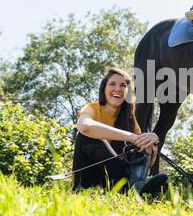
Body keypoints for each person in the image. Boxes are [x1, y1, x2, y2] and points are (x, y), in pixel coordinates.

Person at [72, 67, 168, 195]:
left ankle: (136, 188)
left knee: (142, 140)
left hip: (116, 179)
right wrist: (132, 137)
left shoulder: (129, 119)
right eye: (112, 84)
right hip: (88, 178)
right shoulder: (92, 109)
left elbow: (147, 164)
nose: (118, 89)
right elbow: (85, 127)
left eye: (123, 85)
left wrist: (151, 143)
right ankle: (84, 190)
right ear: (104, 89)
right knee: (84, 136)